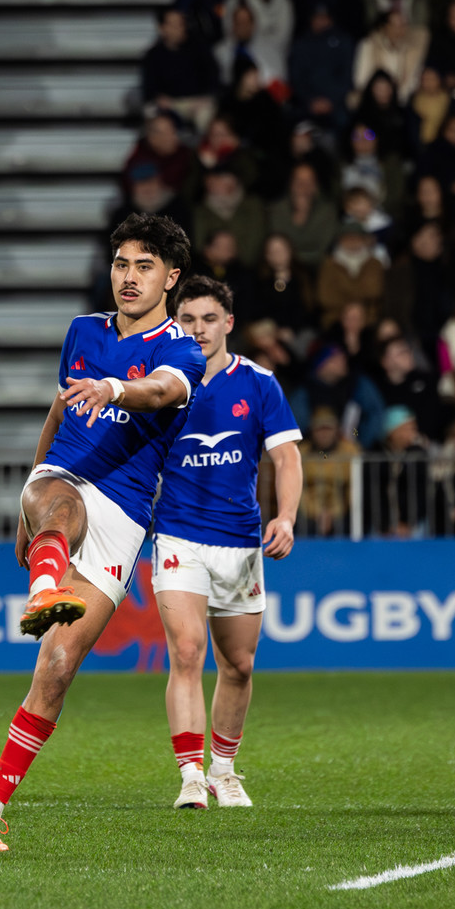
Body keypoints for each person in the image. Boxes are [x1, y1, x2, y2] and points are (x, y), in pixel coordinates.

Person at [0, 213, 205, 852]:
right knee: (62, 505)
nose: (129, 277)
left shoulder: (183, 350)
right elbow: (58, 410)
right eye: (122, 264)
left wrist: (115, 387)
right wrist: (31, 502)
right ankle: (45, 586)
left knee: (58, 665)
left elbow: (161, 392)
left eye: (145, 267)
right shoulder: (82, 331)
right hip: (63, 478)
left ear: (171, 278)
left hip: (124, 511)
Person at [153, 275, 301, 809]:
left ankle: (223, 769)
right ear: (175, 325)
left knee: (238, 665)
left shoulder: (259, 383)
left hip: (239, 542)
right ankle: (191, 775)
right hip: (178, 535)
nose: (199, 329)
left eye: (209, 319)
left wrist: (286, 517)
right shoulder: (161, 385)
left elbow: (286, 457)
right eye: (188, 319)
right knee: (187, 651)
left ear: (228, 324)